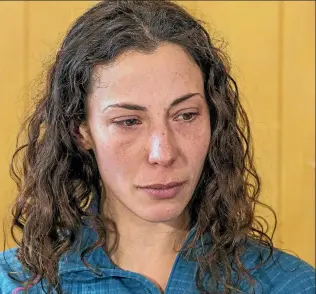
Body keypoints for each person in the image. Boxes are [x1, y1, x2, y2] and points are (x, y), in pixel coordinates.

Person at [0, 1, 315, 293]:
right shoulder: (13, 283)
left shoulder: (288, 284)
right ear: (82, 130)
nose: (163, 153)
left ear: (213, 118)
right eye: (129, 122)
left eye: (186, 115)